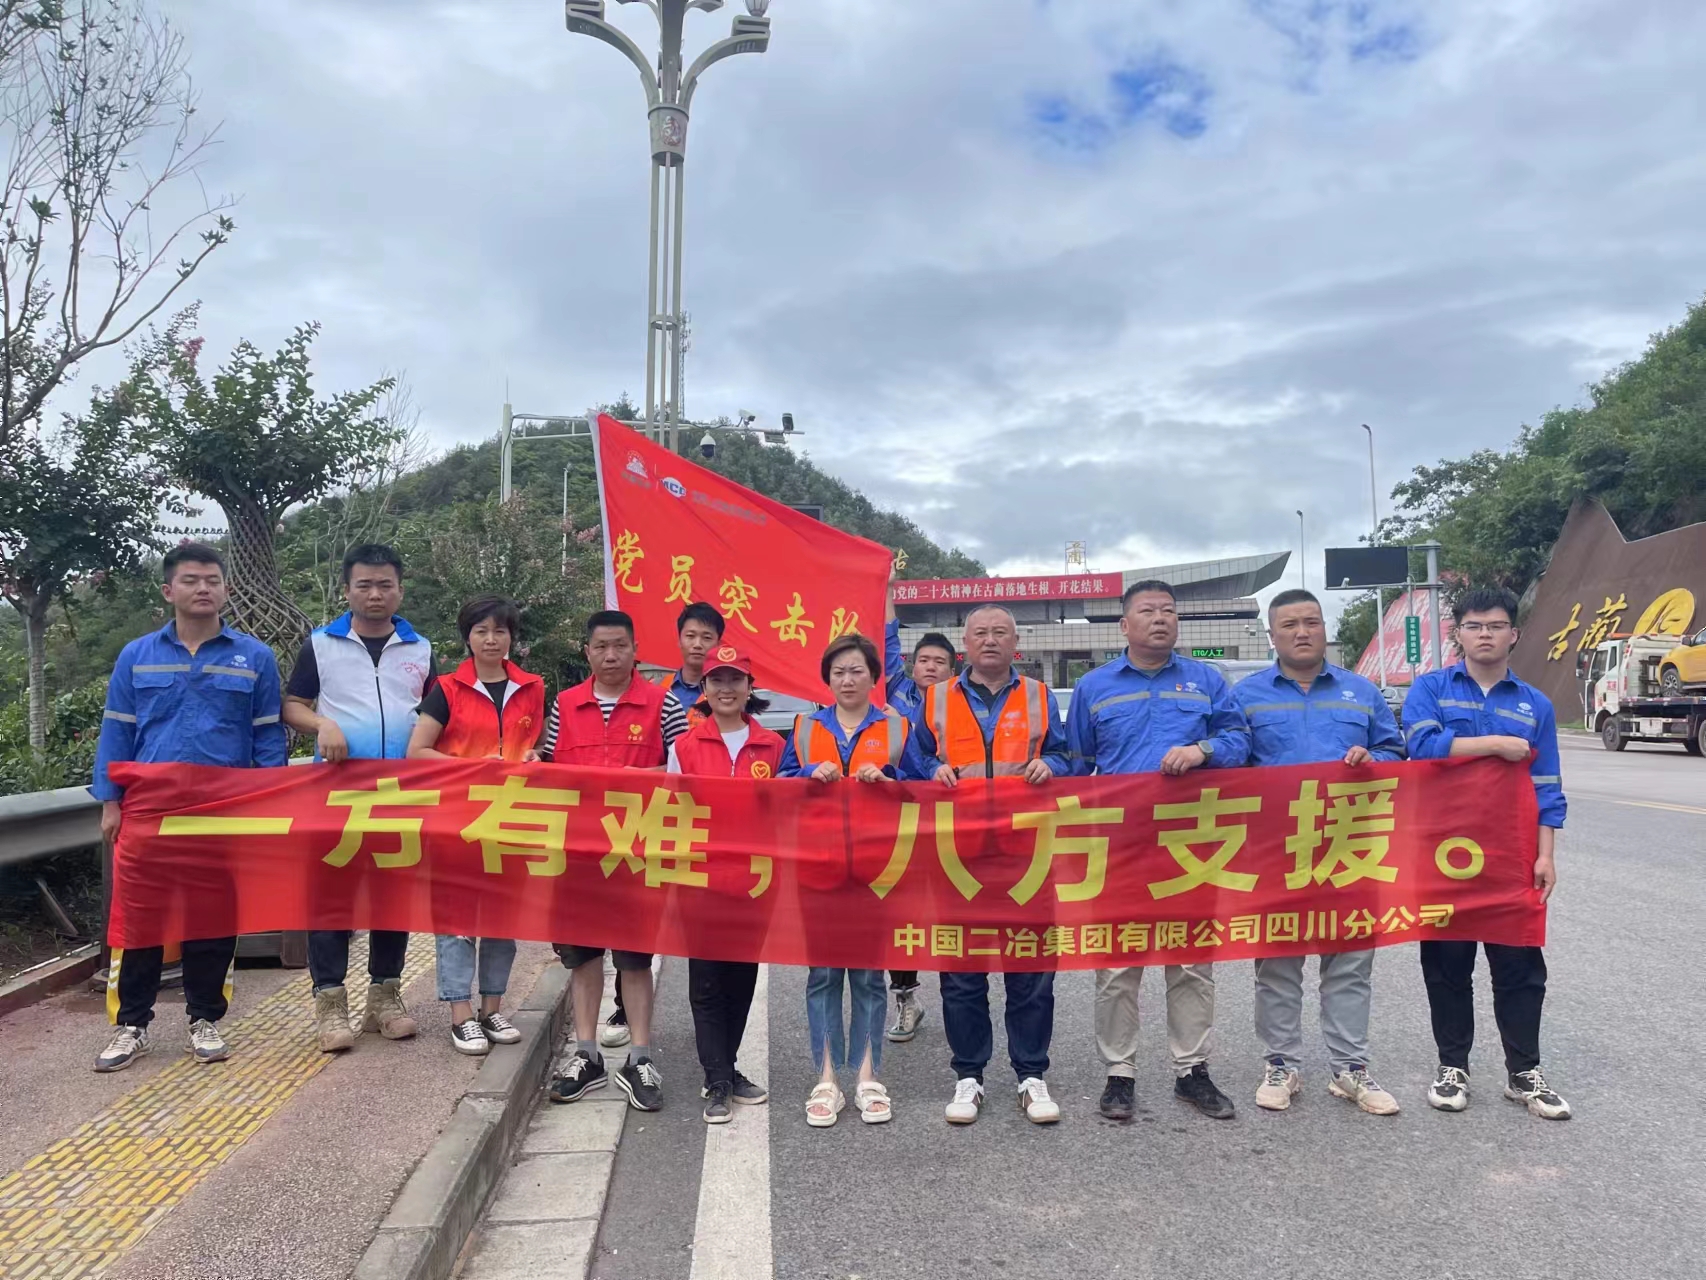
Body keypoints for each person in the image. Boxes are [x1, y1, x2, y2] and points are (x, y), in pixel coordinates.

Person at [90, 543, 287, 1072]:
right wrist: (110, 801)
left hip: (223, 808)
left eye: (212, 580)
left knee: (213, 917)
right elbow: (117, 732)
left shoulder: (254, 657)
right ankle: (131, 1024)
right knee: (140, 919)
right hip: (148, 809)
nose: (203, 588)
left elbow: (268, 738)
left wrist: (267, 802)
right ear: (168, 590)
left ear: (226, 589)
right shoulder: (137, 655)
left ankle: (205, 1019)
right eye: (191, 580)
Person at [1066, 579, 1250, 1122]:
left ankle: (1192, 1072)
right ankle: (1119, 1074)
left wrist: (1202, 749)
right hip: (1120, 844)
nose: (1161, 618)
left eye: (1169, 610)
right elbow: (1074, 766)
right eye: (1147, 611)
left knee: (1190, 961)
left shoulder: (1206, 681)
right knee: (1117, 964)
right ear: (1125, 625)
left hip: (1191, 843)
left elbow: (1239, 741)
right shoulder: (1094, 686)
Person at [1233, 589, 1404, 1116]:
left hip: (1349, 847)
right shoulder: (1246, 696)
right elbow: (1230, 763)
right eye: (1289, 625)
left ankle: (1350, 1068)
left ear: (1325, 629)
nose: (1302, 632)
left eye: (1311, 622)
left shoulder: (1361, 692)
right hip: (1275, 850)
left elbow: (1397, 751)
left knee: (1350, 963)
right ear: (1272, 636)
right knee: (1278, 963)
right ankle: (1281, 1063)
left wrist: (1372, 759)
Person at [1403, 586, 1571, 1120]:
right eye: (1474, 626)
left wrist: (1546, 855)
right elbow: (1421, 747)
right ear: (1458, 634)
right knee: (1446, 964)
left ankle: (1524, 1073)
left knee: (1519, 964)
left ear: (1513, 634)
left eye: (1496, 626)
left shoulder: (1535, 704)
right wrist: (1496, 745)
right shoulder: (1431, 689)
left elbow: (1547, 786)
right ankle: (1453, 1066)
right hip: (1443, 851)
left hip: (1511, 853)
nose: (1485, 635)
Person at [911, 604, 1070, 1126]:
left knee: (1031, 968)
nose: (990, 640)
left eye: (1001, 632)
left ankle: (1031, 1073)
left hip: (1027, 853)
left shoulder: (1039, 696)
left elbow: (1069, 755)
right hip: (957, 854)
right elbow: (913, 758)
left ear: (1015, 642)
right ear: (965, 643)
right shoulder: (936, 698)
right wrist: (932, 769)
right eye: (980, 632)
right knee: (962, 971)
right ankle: (969, 1074)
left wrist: (1052, 763)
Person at [284, 543, 436, 1052]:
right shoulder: (320, 644)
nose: (375, 594)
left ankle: (385, 999)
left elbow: (436, 716)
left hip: (401, 794)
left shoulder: (420, 649)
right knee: (332, 899)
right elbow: (292, 704)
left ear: (400, 590)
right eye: (364, 585)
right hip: (337, 794)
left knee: (393, 897)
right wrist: (322, 724)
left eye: (384, 585)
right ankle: (330, 1004)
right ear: (347, 590)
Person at [543, 609, 688, 1112]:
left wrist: (636, 780)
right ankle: (586, 1056)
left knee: (635, 958)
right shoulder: (564, 704)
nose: (611, 655)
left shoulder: (664, 704)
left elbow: (685, 772)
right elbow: (548, 772)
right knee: (582, 958)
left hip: (638, 852)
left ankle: (640, 1057)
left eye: (620, 646)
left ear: (634, 650)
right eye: (601, 647)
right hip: (578, 854)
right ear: (587, 652)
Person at [778, 632, 925, 1127]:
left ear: (873, 677)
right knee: (822, 975)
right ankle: (826, 1078)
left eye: (856, 670)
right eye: (838, 671)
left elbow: (922, 787)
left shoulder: (898, 727)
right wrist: (805, 774)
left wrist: (889, 779)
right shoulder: (804, 727)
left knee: (867, 975)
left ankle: (866, 1076)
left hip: (877, 870)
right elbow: (777, 786)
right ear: (828, 678)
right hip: (817, 868)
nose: (847, 679)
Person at [406, 595, 544, 1056]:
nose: (491, 639)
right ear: (467, 637)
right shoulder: (446, 689)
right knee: (458, 919)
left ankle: (492, 1007)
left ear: (512, 638)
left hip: (512, 818)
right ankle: (460, 1013)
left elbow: (537, 743)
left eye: (500, 631)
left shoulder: (532, 687)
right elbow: (417, 752)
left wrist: (535, 757)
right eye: (481, 630)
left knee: (503, 917)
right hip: (458, 821)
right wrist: (470, 767)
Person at [668, 644, 783, 1123]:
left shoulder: (774, 746)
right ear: (704, 687)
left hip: (755, 883)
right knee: (707, 982)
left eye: (736, 679)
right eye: (717, 680)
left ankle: (728, 1067)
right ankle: (716, 1078)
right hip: (701, 880)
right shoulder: (684, 747)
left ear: (750, 687)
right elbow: (671, 812)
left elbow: (786, 814)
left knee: (741, 979)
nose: (726, 688)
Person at [882, 572, 956, 1041]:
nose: (930, 667)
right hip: (898, 818)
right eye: (923, 660)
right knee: (900, 913)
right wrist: (888, 590)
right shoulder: (895, 693)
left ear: (953, 668)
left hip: (948, 819)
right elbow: (887, 639)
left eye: (939, 662)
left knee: (951, 910)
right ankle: (906, 1001)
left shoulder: (960, 705)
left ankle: (959, 999)